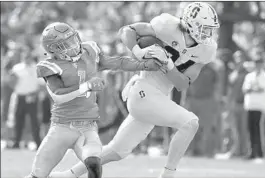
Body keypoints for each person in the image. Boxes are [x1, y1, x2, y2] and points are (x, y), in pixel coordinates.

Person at [50, 2, 220, 178]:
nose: (208, 34)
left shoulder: (205, 50)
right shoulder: (167, 26)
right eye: (204, 28)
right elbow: (127, 30)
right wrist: (138, 51)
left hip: (156, 99)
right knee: (190, 123)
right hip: (143, 91)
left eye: (210, 29)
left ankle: (68, 174)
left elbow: (182, 84)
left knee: (117, 150)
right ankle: (168, 174)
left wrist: (168, 64)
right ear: (190, 23)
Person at [24, 22, 163, 178]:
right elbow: (58, 96)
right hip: (62, 128)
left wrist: (143, 65)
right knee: (37, 175)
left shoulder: (89, 51)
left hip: (87, 127)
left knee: (94, 164)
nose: (74, 45)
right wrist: (87, 86)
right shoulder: (50, 66)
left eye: (73, 39)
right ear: (54, 49)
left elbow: (118, 62)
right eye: (66, 44)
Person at [8, 49, 43, 149]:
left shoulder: (36, 68)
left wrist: (35, 94)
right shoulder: (17, 68)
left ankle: (38, 143)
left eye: (28, 57)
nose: (27, 58)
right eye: (25, 57)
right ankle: (16, 142)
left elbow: (40, 85)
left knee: (34, 121)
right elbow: (11, 82)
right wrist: (13, 82)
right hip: (20, 97)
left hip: (32, 97)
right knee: (18, 120)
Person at [242, 58, 265, 162]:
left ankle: (262, 153)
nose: (258, 66)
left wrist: (253, 89)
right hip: (250, 105)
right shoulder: (249, 76)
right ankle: (253, 152)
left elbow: (262, 88)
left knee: (260, 130)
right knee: (251, 130)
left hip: (261, 107)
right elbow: (245, 89)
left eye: (259, 64)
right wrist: (254, 89)